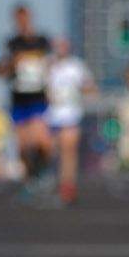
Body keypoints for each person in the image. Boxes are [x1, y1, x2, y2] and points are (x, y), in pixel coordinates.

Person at [4, 4, 51, 186]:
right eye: (19, 18)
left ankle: (43, 172)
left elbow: (50, 67)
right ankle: (29, 179)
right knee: (23, 145)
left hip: (38, 98)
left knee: (42, 142)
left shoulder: (42, 41)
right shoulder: (12, 43)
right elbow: (5, 70)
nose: (22, 22)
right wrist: (13, 64)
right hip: (19, 99)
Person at [44, 37, 93, 204]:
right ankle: (49, 181)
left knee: (68, 151)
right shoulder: (49, 65)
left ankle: (67, 186)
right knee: (49, 151)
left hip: (71, 115)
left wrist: (78, 91)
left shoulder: (77, 66)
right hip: (51, 116)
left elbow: (90, 87)